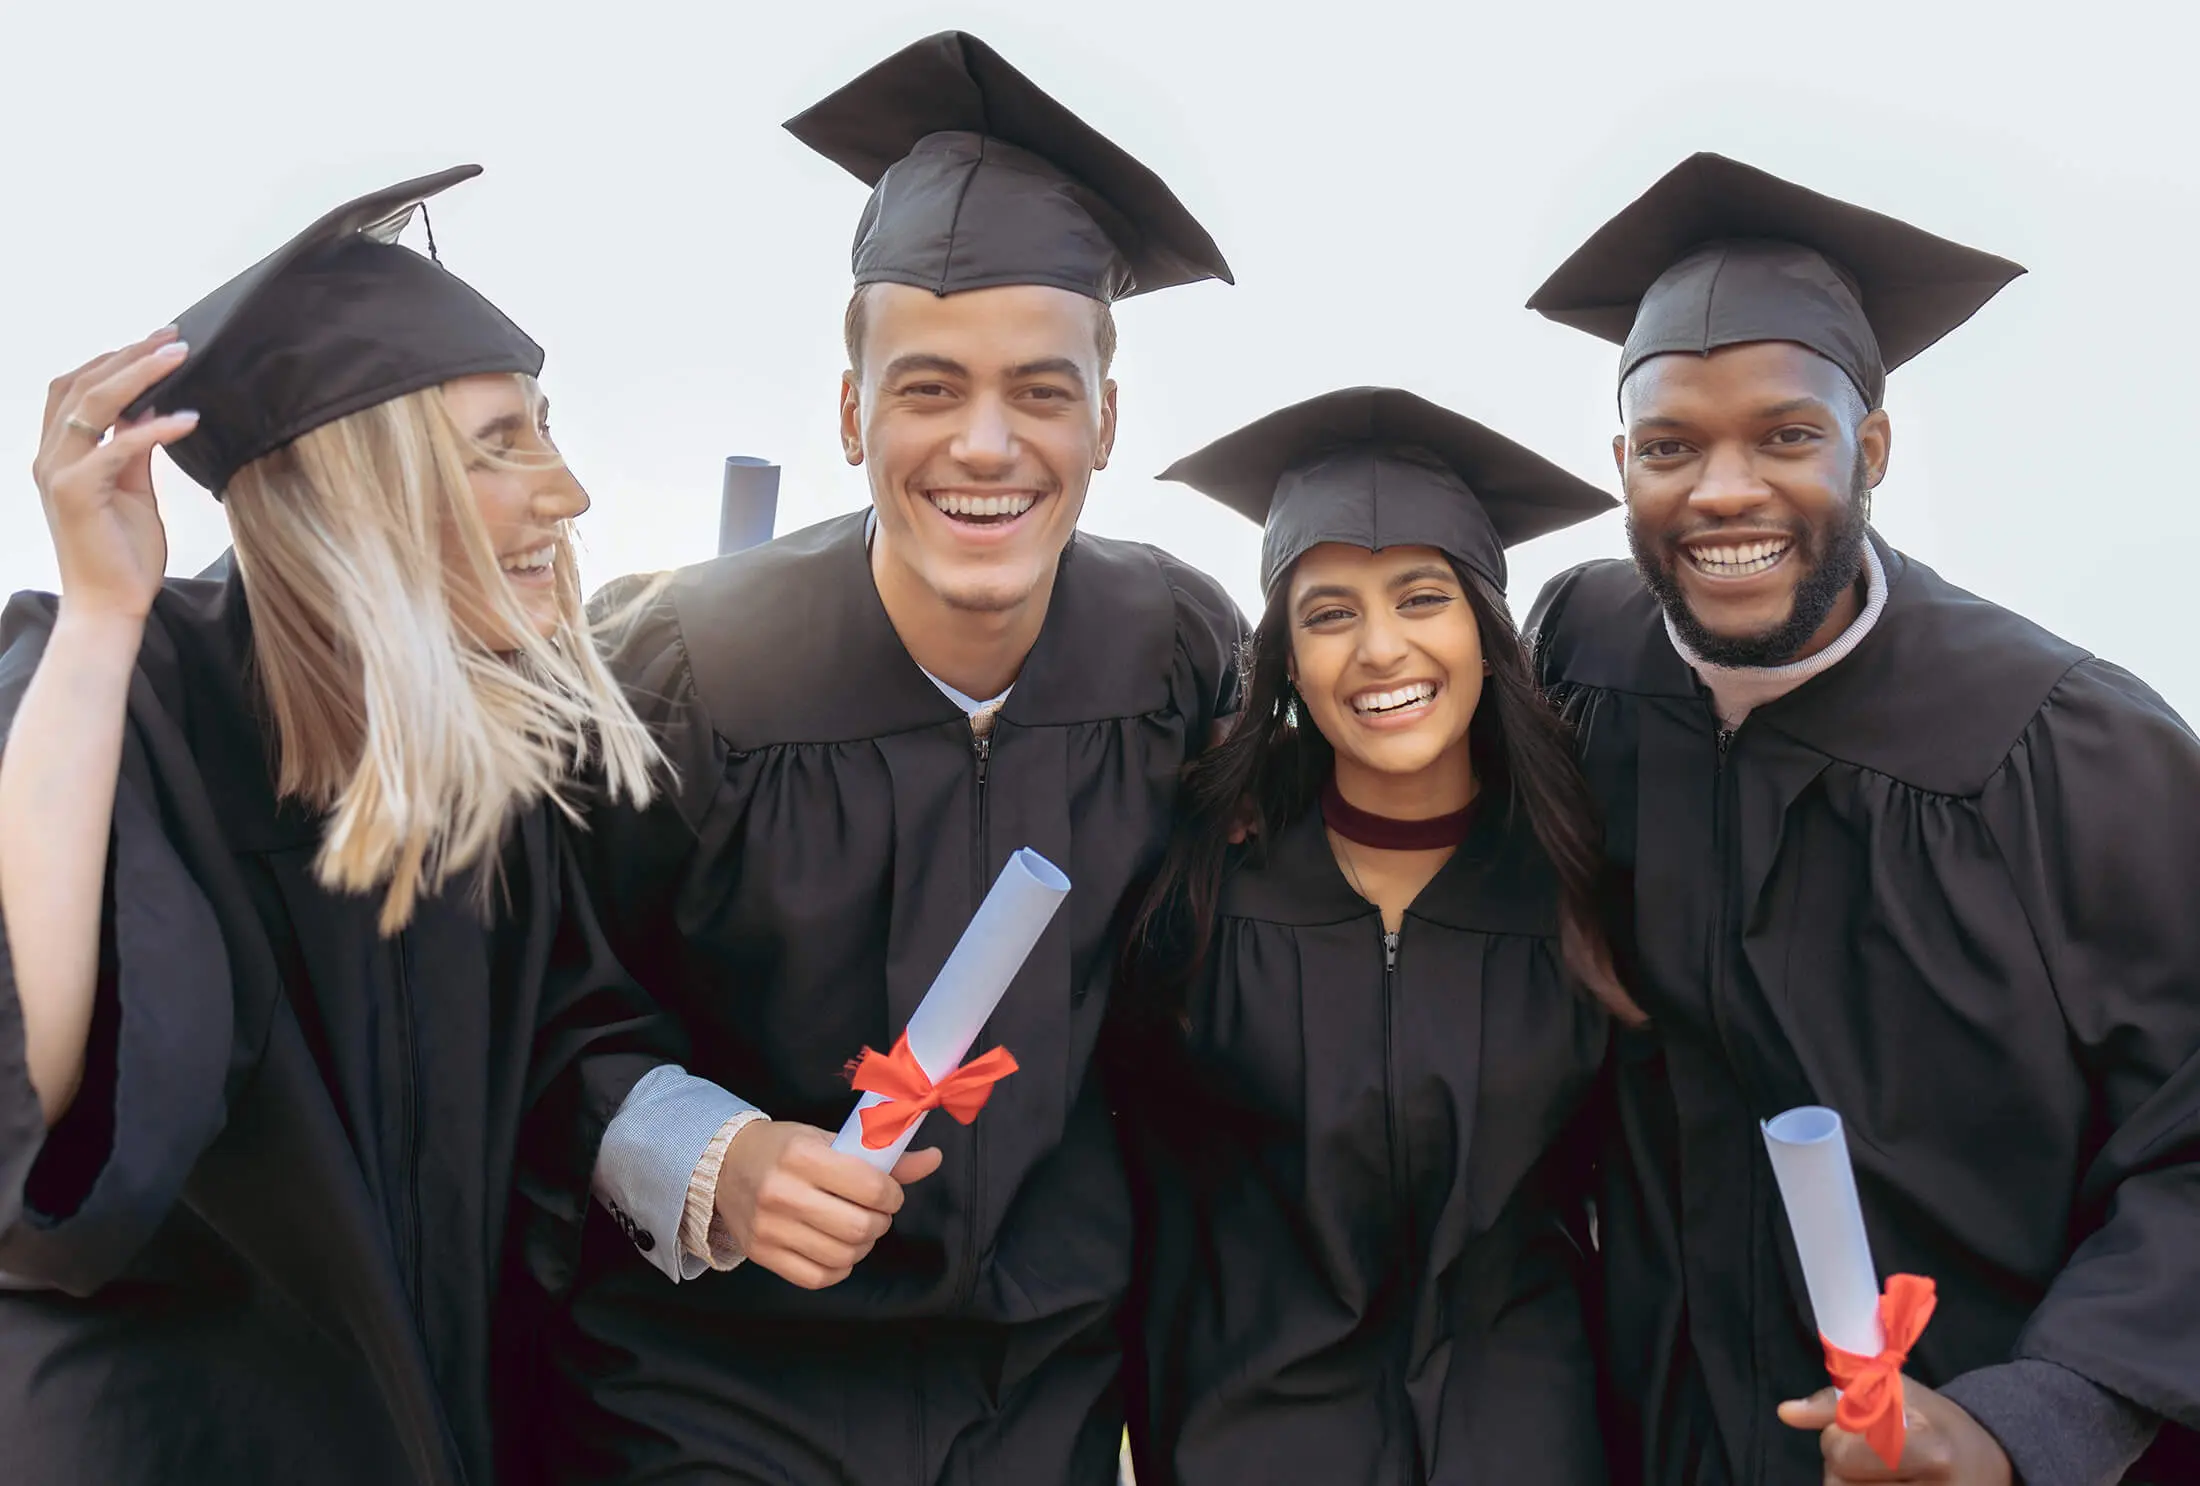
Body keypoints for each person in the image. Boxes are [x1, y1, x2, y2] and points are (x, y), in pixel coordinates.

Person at [539, 32, 1242, 1486]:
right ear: (852, 411)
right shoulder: (685, 666)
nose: (986, 444)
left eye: (1042, 392)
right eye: (927, 389)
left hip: (1039, 1373)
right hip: (718, 1378)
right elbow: (545, 992)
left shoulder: (1172, 648)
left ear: (1105, 416)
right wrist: (709, 1157)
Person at [1524, 152, 2200, 1485]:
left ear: (1871, 446)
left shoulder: (2068, 748)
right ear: (1620, 466)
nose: (1724, 491)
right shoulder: (1586, 659)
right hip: (1655, 1427)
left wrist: (2034, 1417)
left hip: (1958, 1443)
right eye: (1671, 446)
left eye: (1786, 435)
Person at [0, 167, 678, 1486]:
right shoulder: (129, 686)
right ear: (361, 476)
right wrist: (95, 622)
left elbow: (561, 1060)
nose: (570, 491)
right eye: (500, 442)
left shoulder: (494, 756)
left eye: (548, 429)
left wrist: (723, 1155)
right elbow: (40, 1098)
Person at [1109, 387, 1643, 1484]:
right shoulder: (1204, 885)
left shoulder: (1584, 884)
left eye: (1420, 597)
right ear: (1288, 663)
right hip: (1244, 1440)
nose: (1381, 648)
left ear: (1485, 630)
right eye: (1329, 613)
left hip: (1533, 1441)